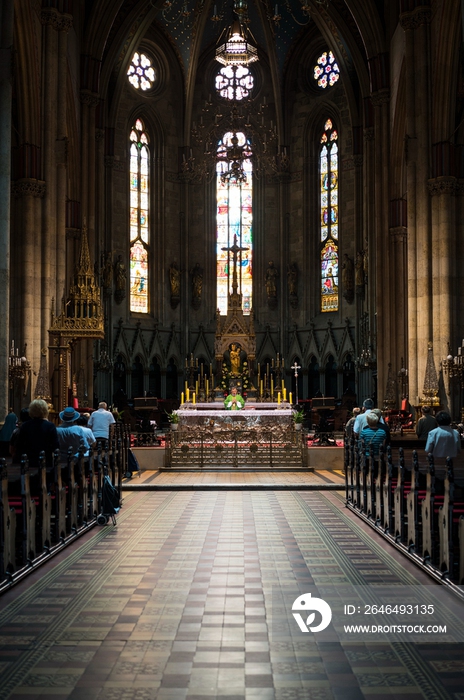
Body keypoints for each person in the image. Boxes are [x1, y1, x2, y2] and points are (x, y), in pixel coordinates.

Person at [15, 399, 59, 468]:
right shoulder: (50, 426)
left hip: (29, 462)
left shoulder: (25, 425)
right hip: (45, 461)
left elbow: (19, 445)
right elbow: (56, 446)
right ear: (45, 410)